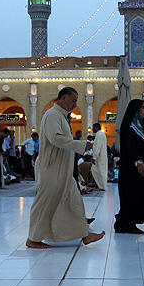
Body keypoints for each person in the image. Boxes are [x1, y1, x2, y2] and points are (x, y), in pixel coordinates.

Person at [26, 87, 105, 248]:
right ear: (63, 98)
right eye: (74, 100)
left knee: (73, 200)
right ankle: (33, 239)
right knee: (45, 202)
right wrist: (82, 145)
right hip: (51, 168)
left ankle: (85, 234)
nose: (75, 104)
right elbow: (55, 138)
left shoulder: (61, 117)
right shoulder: (52, 115)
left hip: (62, 169)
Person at [90, 122, 108, 190]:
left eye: (93, 127)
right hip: (100, 156)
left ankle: (102, 186)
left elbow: (98, 146)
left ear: (97, 128)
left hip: (99, 156)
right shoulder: (101, 134)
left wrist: (94, 157)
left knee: (101, 171)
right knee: (95, 170)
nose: (92, 129)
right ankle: (101, 185)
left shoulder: (99, 134)